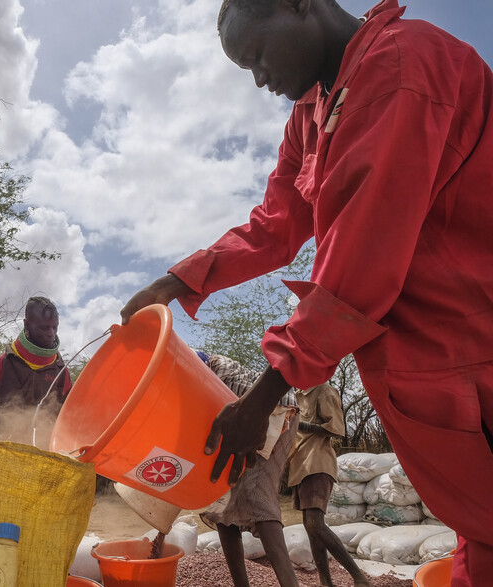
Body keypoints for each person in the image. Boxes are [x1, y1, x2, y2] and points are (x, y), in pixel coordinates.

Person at [120, 1, 493, 583]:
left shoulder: (402, 68)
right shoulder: (311, 114)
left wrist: (263, 397)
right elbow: (274, 224)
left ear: (301, 4)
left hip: (472, 351)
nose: (260, 79)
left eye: (258, 57)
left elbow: (359, 258)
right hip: (427, 371)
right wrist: (177, 280)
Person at [198, 352, 300, 587]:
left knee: (256, 494)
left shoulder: (189, 360)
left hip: (269, 410)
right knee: (221, 502)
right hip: (240, 415)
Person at [287, 383, 369, 586]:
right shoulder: (296, 396)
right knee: (310, 526)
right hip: (301, 464)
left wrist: (302, 425)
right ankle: (325, 581)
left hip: (317, 462)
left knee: (315, 523)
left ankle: (359, 579)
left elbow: (337, 428)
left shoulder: (323, 391)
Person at [0, 296, 72, 448]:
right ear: (27, 324)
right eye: (44, 327)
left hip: (44, 454)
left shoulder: (61, 371)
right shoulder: (4, 362)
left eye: (55, 327)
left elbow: (67, 421)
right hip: (1, 451)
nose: (51, 333)